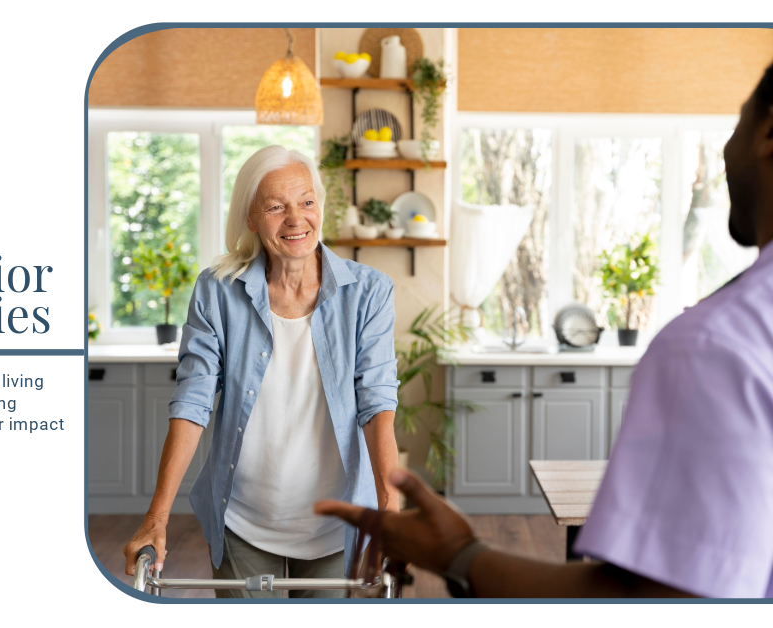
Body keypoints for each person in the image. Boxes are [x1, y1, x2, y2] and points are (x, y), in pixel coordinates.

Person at [316, 60, 773, 599]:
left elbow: (663, 602)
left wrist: (460, 557)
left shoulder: (716, 346)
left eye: (737, 124)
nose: (725, 151)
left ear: (767, 132)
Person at [122, 145, 401, 598]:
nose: (296, 219)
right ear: (250, 218)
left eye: (306, 202)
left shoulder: (368, 293)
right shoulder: (218, 291)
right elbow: (192, 403)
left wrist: (389, 507)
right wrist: (156, 518)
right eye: (275, 207)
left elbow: (376, 402)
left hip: (335, 529)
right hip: (242, 523)